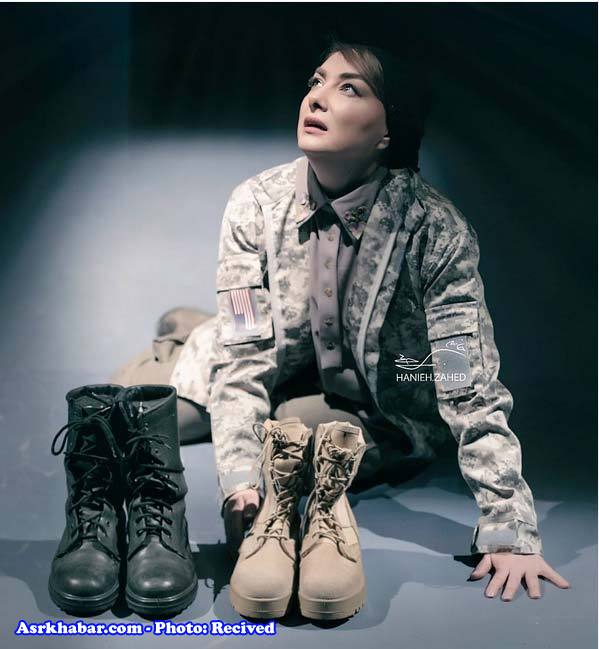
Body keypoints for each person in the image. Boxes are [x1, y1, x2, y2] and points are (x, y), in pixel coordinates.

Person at [111, 39, 570, 601]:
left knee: (300, 453)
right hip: (280, 354)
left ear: (388, 131)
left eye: (349, 88)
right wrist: (238, 482)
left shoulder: (435, 230)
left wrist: (508, 526)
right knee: (138, 413)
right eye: (316, 82)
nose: (317, 98)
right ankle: (192, 335)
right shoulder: (254, 203)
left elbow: (463, 376)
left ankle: (195, 331)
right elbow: (245, 350)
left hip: (379, 397)